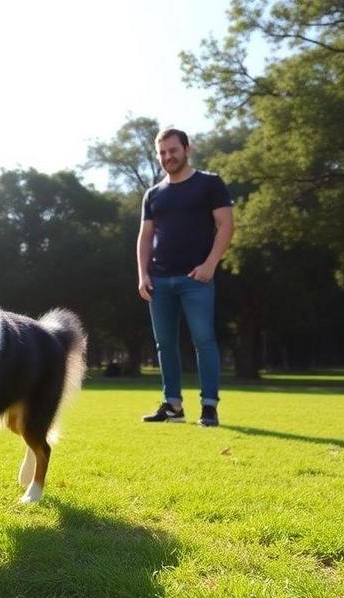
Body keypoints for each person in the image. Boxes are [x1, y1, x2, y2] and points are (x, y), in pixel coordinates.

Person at [137, 128, 234, 427]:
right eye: (162, 152)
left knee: (203, 339)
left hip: (197, 280)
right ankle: (173, 406)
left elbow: (227, 225)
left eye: (173, 150)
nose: (168, 157)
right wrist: (142, 274)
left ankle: (209, 406)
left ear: (187, 149)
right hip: (159, 281)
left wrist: (210, 265)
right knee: (164, 344)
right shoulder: (153, 194)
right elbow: (144, 238)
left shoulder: (209, 183)